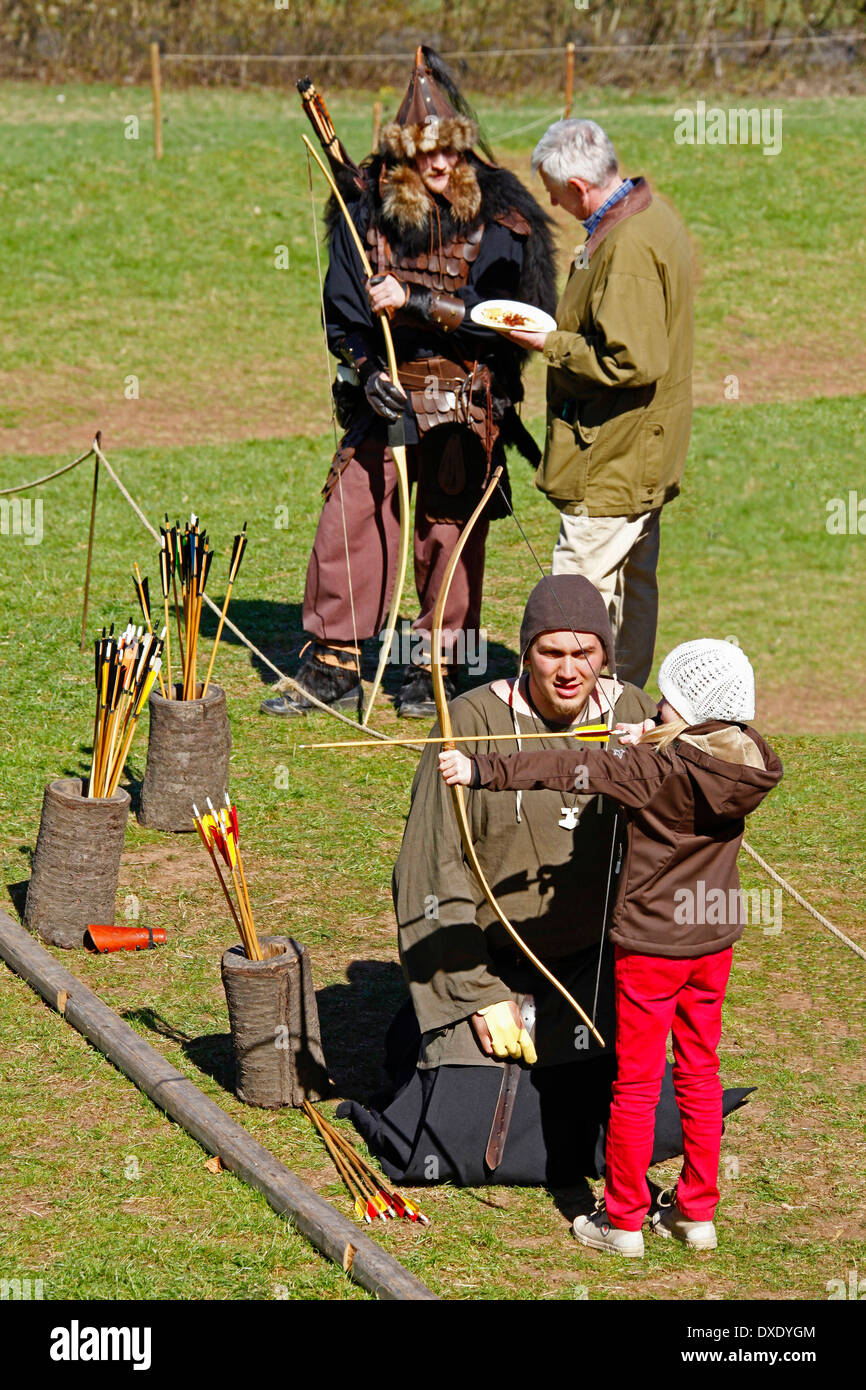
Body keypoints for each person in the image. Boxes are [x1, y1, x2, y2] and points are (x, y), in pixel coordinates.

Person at [339, 580, 751, 1188]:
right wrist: (476, 993)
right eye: (551, 652)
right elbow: (431, 869)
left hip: (603, 966)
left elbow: (726, 768)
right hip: (492, 964)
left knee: (630, 1112)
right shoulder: (471, 723)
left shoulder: (641, 715)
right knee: (457, 1135)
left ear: (606, 655)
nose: (568, 670)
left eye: (584, 652)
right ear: (526, 652)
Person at [439, 638, 782, 1251]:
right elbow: (692, 749)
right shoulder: (749, 758)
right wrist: (653, 733)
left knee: (637, 1082)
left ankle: (623, 1220)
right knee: (699, 1070)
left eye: (665, 707)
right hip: (713, 940)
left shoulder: (648, 771)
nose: (655, 715)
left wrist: (478, 768)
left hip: (653, 948)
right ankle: (696, 1213)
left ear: (688, 713)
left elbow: (564, 768)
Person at [262, 47, 556, 719]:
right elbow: (342, 308)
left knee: (448, 528)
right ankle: (333, 663)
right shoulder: (365, 211)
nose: (439, 165)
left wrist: (421, 308)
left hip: (464, 395)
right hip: (386, 389)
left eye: (449, 152)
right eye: (425, 154)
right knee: (353, 513)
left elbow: (512, 323)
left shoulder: (503, 218)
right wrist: (365, 372)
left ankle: (436, 666)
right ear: (402, 155)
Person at [501, 118, 694, 689]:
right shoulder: (652, 217)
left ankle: (567, 716)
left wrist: (547, 343)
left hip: (613, 456)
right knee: (633, 589)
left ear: (580, 185)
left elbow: (632, 360)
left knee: (574, 596)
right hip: (643, 451)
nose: (553, 204)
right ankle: (620, 704)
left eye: (554, 192)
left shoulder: (627, 246)